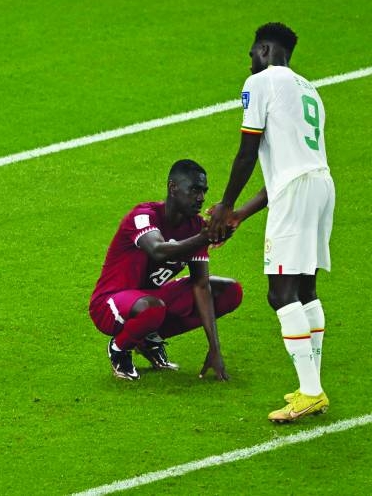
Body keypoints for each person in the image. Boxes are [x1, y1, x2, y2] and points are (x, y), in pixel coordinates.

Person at [208, 23, 334, 423]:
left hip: (296, 193)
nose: (249, 62)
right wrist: (240, 214)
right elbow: (281, 169)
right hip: (320, 185)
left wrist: (223, 206)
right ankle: (310, 386)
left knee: (281, 294)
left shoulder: (262, 83)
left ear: (264, 48)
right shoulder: (308, 89)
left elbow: (247, 153)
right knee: (306, 288)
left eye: (251, 53)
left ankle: (311, 391)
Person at [89, 159, 243, 382]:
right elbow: (159, 251)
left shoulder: (196, 226)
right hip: (109, 303)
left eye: (203, 191)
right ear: (173, 188)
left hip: (151, 301)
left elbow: (201, 285)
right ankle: (120, 348)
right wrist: (204, 237)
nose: (201, 198)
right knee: (153, 308)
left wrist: (215, 348)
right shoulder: (143, 216)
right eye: (194, 190)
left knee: (229, 291)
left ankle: (148, 339)